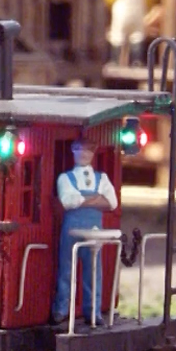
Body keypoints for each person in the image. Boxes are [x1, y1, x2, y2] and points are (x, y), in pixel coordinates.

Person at [52, 137, 118, 327]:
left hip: (95, 230)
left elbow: (112, 202)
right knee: (66, 270)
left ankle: (93, 311)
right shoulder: (65, 178)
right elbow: (67, 201)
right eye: (79, 150)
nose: (83, 154)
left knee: (94, 271)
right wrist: (96, 198)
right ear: (73, 152)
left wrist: (82, 199)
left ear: (93, 153)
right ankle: (61, 309)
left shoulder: (102, 178)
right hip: (71, 229)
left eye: (87, 150)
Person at [104, 0, 151, 66]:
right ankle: (136, 62)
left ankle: (115, 61)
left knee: (117, 37)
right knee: (137, 37)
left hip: (121, 15)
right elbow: (148, 2)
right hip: (137, 16)